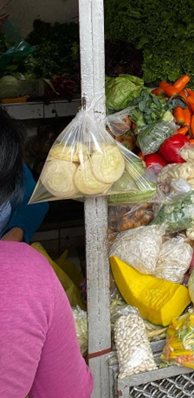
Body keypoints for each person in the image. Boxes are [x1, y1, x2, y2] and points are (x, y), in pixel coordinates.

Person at [0, 109, 93, 398]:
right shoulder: (22, 275)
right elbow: (66, 391)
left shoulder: (16, 267)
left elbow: (36, 200)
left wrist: (15, 236)